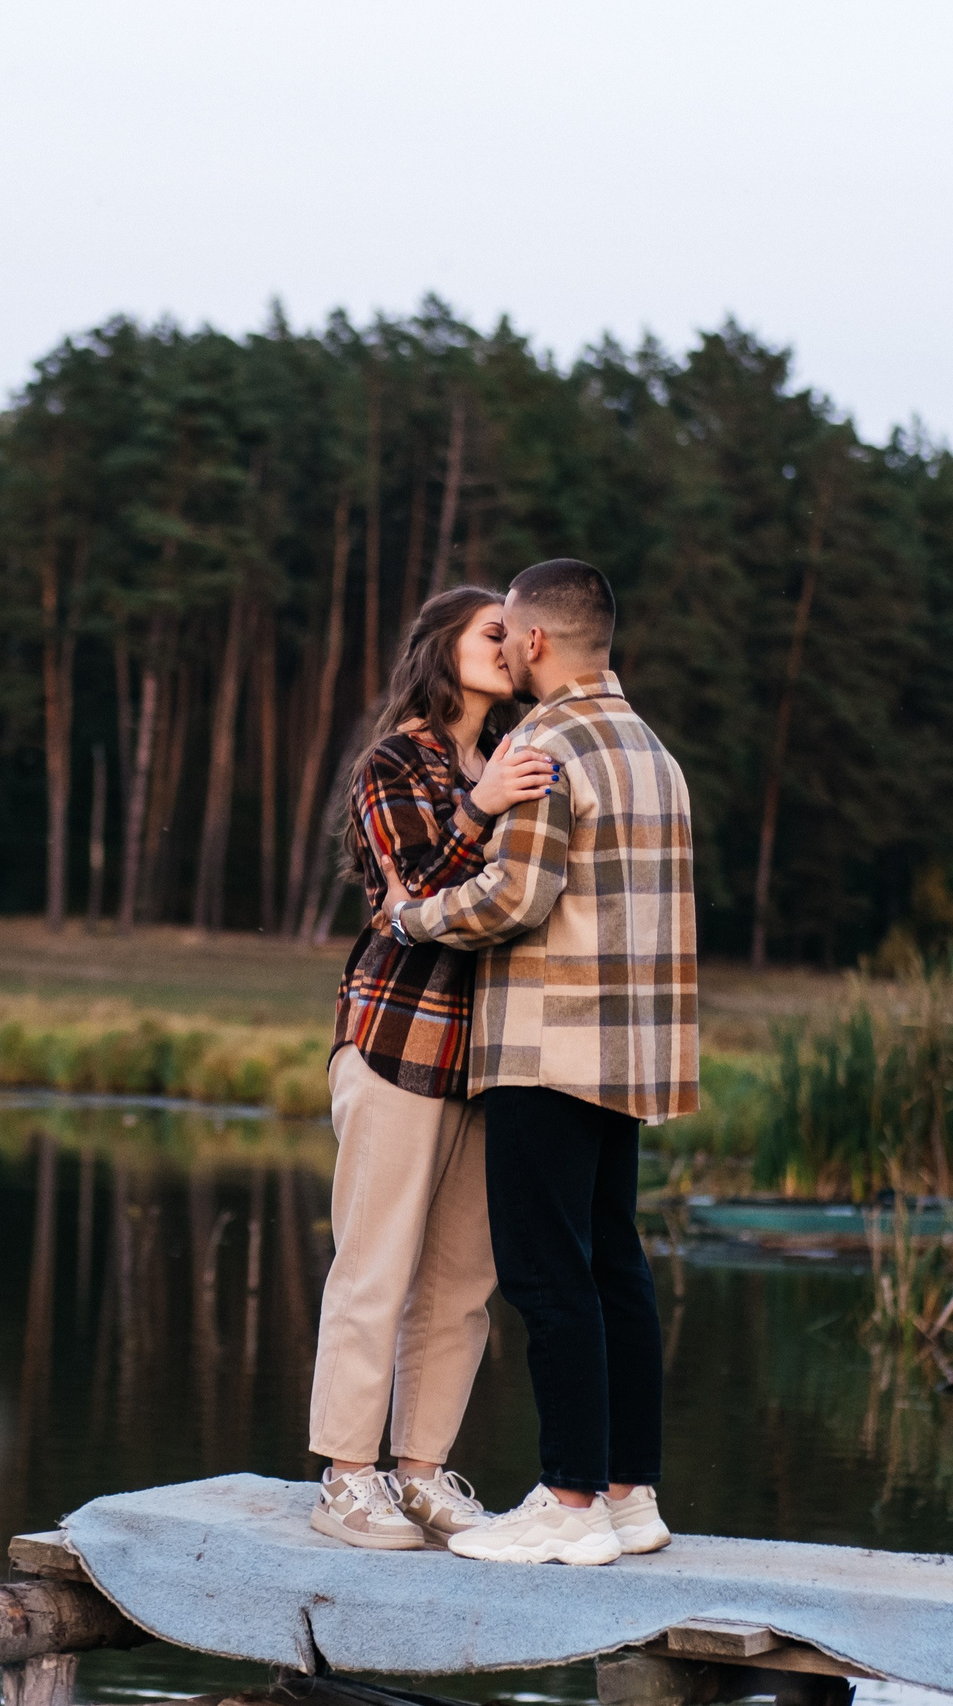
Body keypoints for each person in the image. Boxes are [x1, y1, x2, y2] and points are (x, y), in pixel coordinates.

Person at [379, 558, 698, 1568]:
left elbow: (513, 898)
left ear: (542, 642)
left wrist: (411, 913)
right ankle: (626, 1492)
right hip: (633, 1050)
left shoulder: (545, 739)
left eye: (512, 632)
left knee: (546, 1272)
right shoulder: (652, 750)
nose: (507, 645)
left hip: (547, 1044)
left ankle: (564, 1503)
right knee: (613, 1265)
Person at [307, 585, 558, 1551]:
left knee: (462, 1281)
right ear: (441, 642)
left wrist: (494, 790)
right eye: (492, 631)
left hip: (489, 1058)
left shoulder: (507, 758)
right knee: (375, 1267)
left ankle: (419, 1475)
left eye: (516, 636)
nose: (510, 646)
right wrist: (481, 809)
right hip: (397, 1042)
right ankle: (346, 1477)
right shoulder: (394, 761)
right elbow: (420, 895)